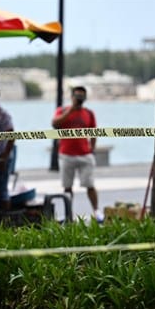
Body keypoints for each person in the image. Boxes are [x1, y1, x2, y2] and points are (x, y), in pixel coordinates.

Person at [51, 86, 104, 223]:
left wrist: (92, 148)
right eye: (77, 96)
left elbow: (94, 132)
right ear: (72, 96)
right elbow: (55, 124)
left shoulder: (89, 113)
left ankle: (97, 211)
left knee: (89, 184)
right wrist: (71, 110)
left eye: (82, 97)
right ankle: (69, 214)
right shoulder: (62, 111)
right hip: (66, 154)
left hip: (84, 154)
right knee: (67, 187)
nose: (79, 99)